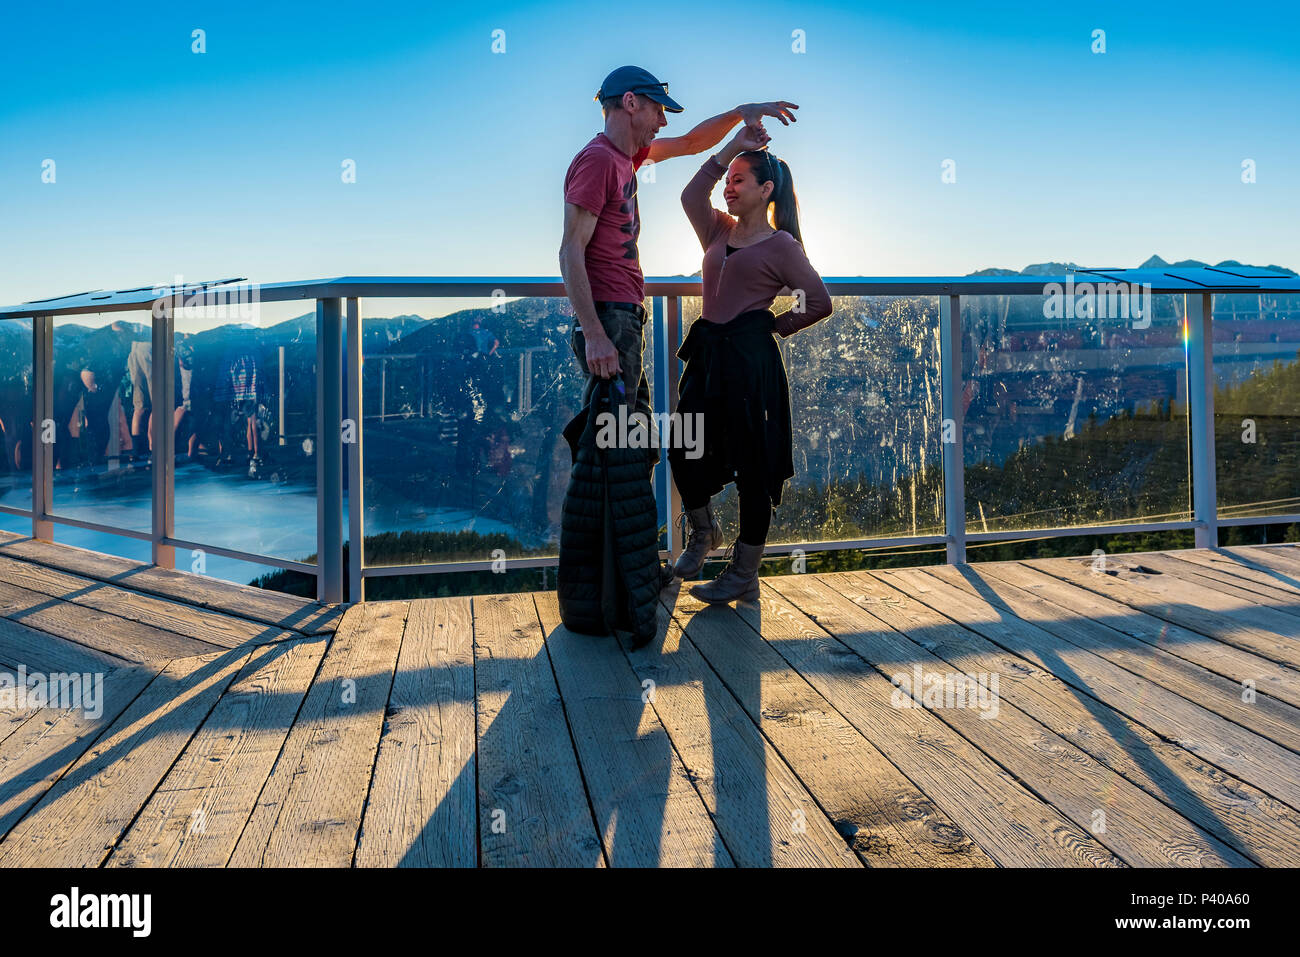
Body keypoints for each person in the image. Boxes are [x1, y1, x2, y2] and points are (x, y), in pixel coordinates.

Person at [558, 64, 799, 592]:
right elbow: (570, 249)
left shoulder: (627, 157)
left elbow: (692, 143)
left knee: (629, 437)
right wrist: (595, 333)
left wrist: (742, 114)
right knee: (616, 443)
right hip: (611, 322)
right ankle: (617, 577)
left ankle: (630, 567)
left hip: (625, 320)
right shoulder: (598, 161)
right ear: (630, 103)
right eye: (658, 110)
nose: (662, 124)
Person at [669, 124, 833, 603]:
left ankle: (744, 574)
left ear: (766, 190)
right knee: (684, 445)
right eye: (729, 179)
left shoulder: (782, 246)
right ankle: (704, 535)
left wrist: (769, 329)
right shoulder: (717, 230)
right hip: (707, 357)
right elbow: (690, 193)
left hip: (749, 363)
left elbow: (818, 302)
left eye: (741, 180)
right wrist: (730, 150)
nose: (729, 186)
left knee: (752, 466)